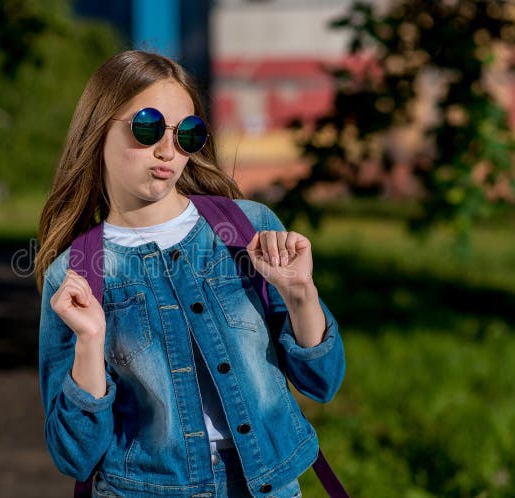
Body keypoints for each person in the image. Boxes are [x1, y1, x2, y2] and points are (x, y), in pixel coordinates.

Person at [35, 50, 345, 498]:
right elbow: (74, 456)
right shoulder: (76, 275)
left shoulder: (247, 229)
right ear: (99, 127)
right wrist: (89, 343)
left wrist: (301, 295)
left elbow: (323, 382)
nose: (167, 150)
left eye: (187, 134)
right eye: (147, 127)